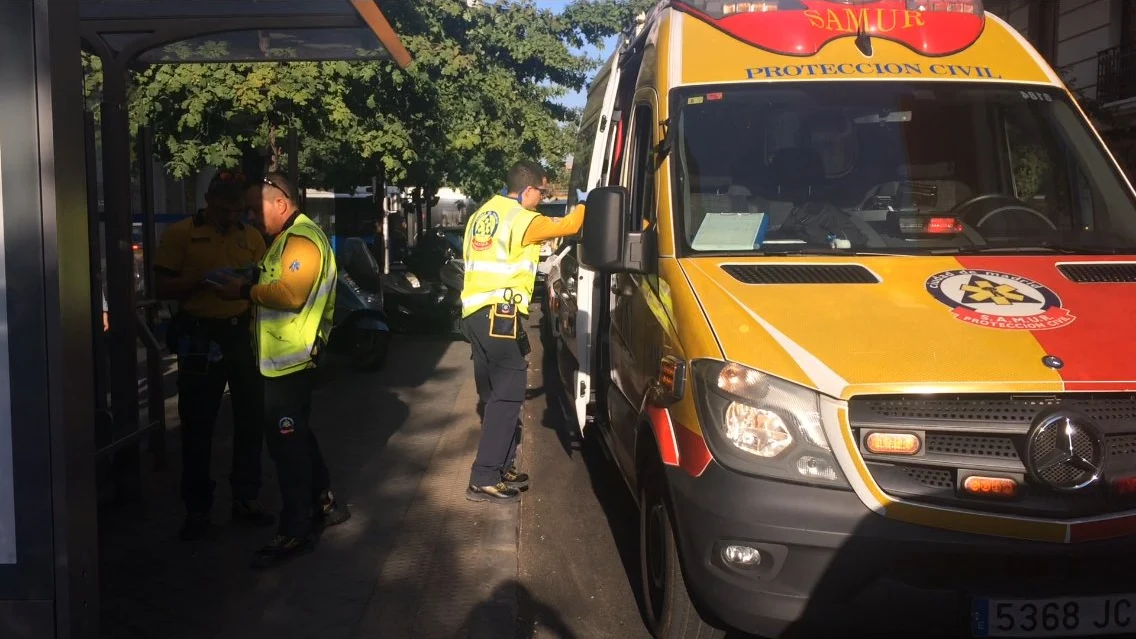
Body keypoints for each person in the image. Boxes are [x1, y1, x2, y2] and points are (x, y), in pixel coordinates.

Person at [213, 171, 350, 568]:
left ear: (281, 203)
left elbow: (291, 294)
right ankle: (324, 503)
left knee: (286, 449)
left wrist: (241, 290)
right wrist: (247, 277)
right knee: (298, 437)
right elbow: (272, 279)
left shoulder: (302, 241)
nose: (251, 215)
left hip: (291, 363)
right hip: (281, 363)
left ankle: (295, 529)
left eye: (257, 208)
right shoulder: (285, 241)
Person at [154, 170, 274, 541]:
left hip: (239, 334)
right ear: (208, 201)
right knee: (198, 424)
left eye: (237, 211)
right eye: (223, 211)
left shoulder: (250, 237)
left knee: (250, 419)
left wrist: (248, 284)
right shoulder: (180, 235)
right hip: (200, 336)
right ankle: (197, 508)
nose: (230, 218)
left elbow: (264, 281)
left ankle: (245, 498)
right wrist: (201, 280)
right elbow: (161, 286)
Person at [461, 160, 585, 503]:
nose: (542, 199)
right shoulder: (524, 220)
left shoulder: (481, 215)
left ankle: (501, 467)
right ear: (528, 189)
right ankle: (485, 476)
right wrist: (589, 202)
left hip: (474, 315)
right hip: (499, 315)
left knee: (494, 394)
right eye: (542, 192)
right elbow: (573, 224)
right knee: (508, 395)